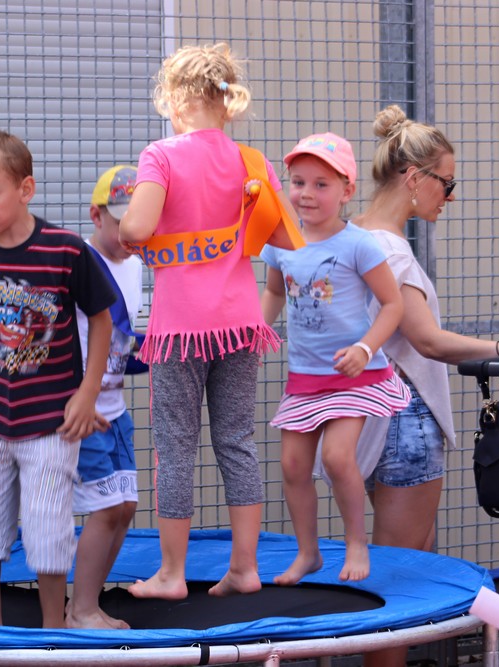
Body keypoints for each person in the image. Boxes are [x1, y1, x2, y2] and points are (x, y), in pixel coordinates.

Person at [354, 104, 499, 666]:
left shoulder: (354, 235)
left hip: (369, 418)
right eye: (447, 182)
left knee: (399, 570)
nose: (450, 196)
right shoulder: (390, 249)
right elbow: (428, 341)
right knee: (399, 580)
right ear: (414, 178)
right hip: (404, 421)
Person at [118, 42, 301, 601]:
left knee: (175, 447)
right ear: (226, 101)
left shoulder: (161, 155)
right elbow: (283, 237)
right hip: (240, 324)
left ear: (175, 100)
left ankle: (171, 574)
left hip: (180, 329)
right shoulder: (251, 162)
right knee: (237, 441)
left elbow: (135, 229)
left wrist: (134, 230)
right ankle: (244, 567)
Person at [0, 129, 116, 628]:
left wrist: (88, 392)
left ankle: (54, 630)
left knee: (49, 530)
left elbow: (102, 320)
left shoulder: (65, 250)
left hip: (51, 423)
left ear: (25, 189)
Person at [260, 132, 411, 584]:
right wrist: (257, 331)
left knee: (338, 457)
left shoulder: (358, 244)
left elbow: (393, 305)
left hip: (355, 376)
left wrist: (365, 348)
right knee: (292, 466)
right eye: (298, 182)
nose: (306, 193)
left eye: (321, 185)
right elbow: (274, 293)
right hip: (305, 377)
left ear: (347, 191)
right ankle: (308, 553)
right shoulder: (281, 241)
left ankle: (355, 542)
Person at [68, 165, 144, 629]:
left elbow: (123, 342)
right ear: (96, 216)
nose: (131, 233)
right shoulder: (79, 262)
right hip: (84, 409)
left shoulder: (136, 264)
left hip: (116, 407)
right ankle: (80, 609)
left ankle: (88, 602)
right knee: (105, 506)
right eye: (121, 222)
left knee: (126, 506)